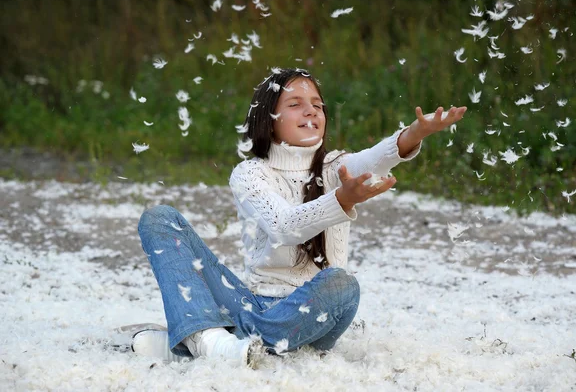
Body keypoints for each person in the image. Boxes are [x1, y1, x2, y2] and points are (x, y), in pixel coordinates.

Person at [130, 68, 467, 368]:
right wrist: (341, 199)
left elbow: (376, 158)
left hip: (309, 317)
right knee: (160, 218)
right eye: (295, 104)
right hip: (251, 301)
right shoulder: (250, 174)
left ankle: (204, 340)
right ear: (268, 118)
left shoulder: (336, 166)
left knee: (342, 284)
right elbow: (284, 226)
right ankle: (214, 343)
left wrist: (414, 134)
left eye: (317, 105)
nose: (311, 110)